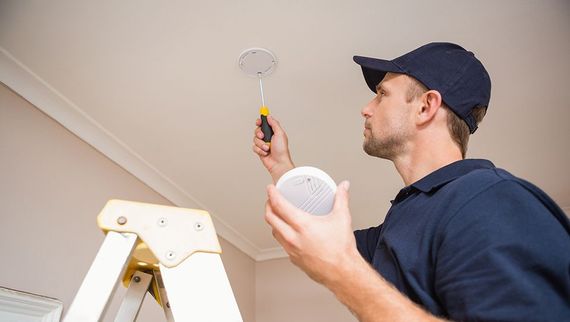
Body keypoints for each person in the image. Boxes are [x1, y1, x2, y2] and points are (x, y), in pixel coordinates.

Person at [252, 42, 570, 322]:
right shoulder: (404, 223)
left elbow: (340, 259)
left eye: (381, 94)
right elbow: (315, 235)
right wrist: (282, 166)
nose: (366, 109)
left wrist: (340, 268)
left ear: (425, 106)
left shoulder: (492, 200)